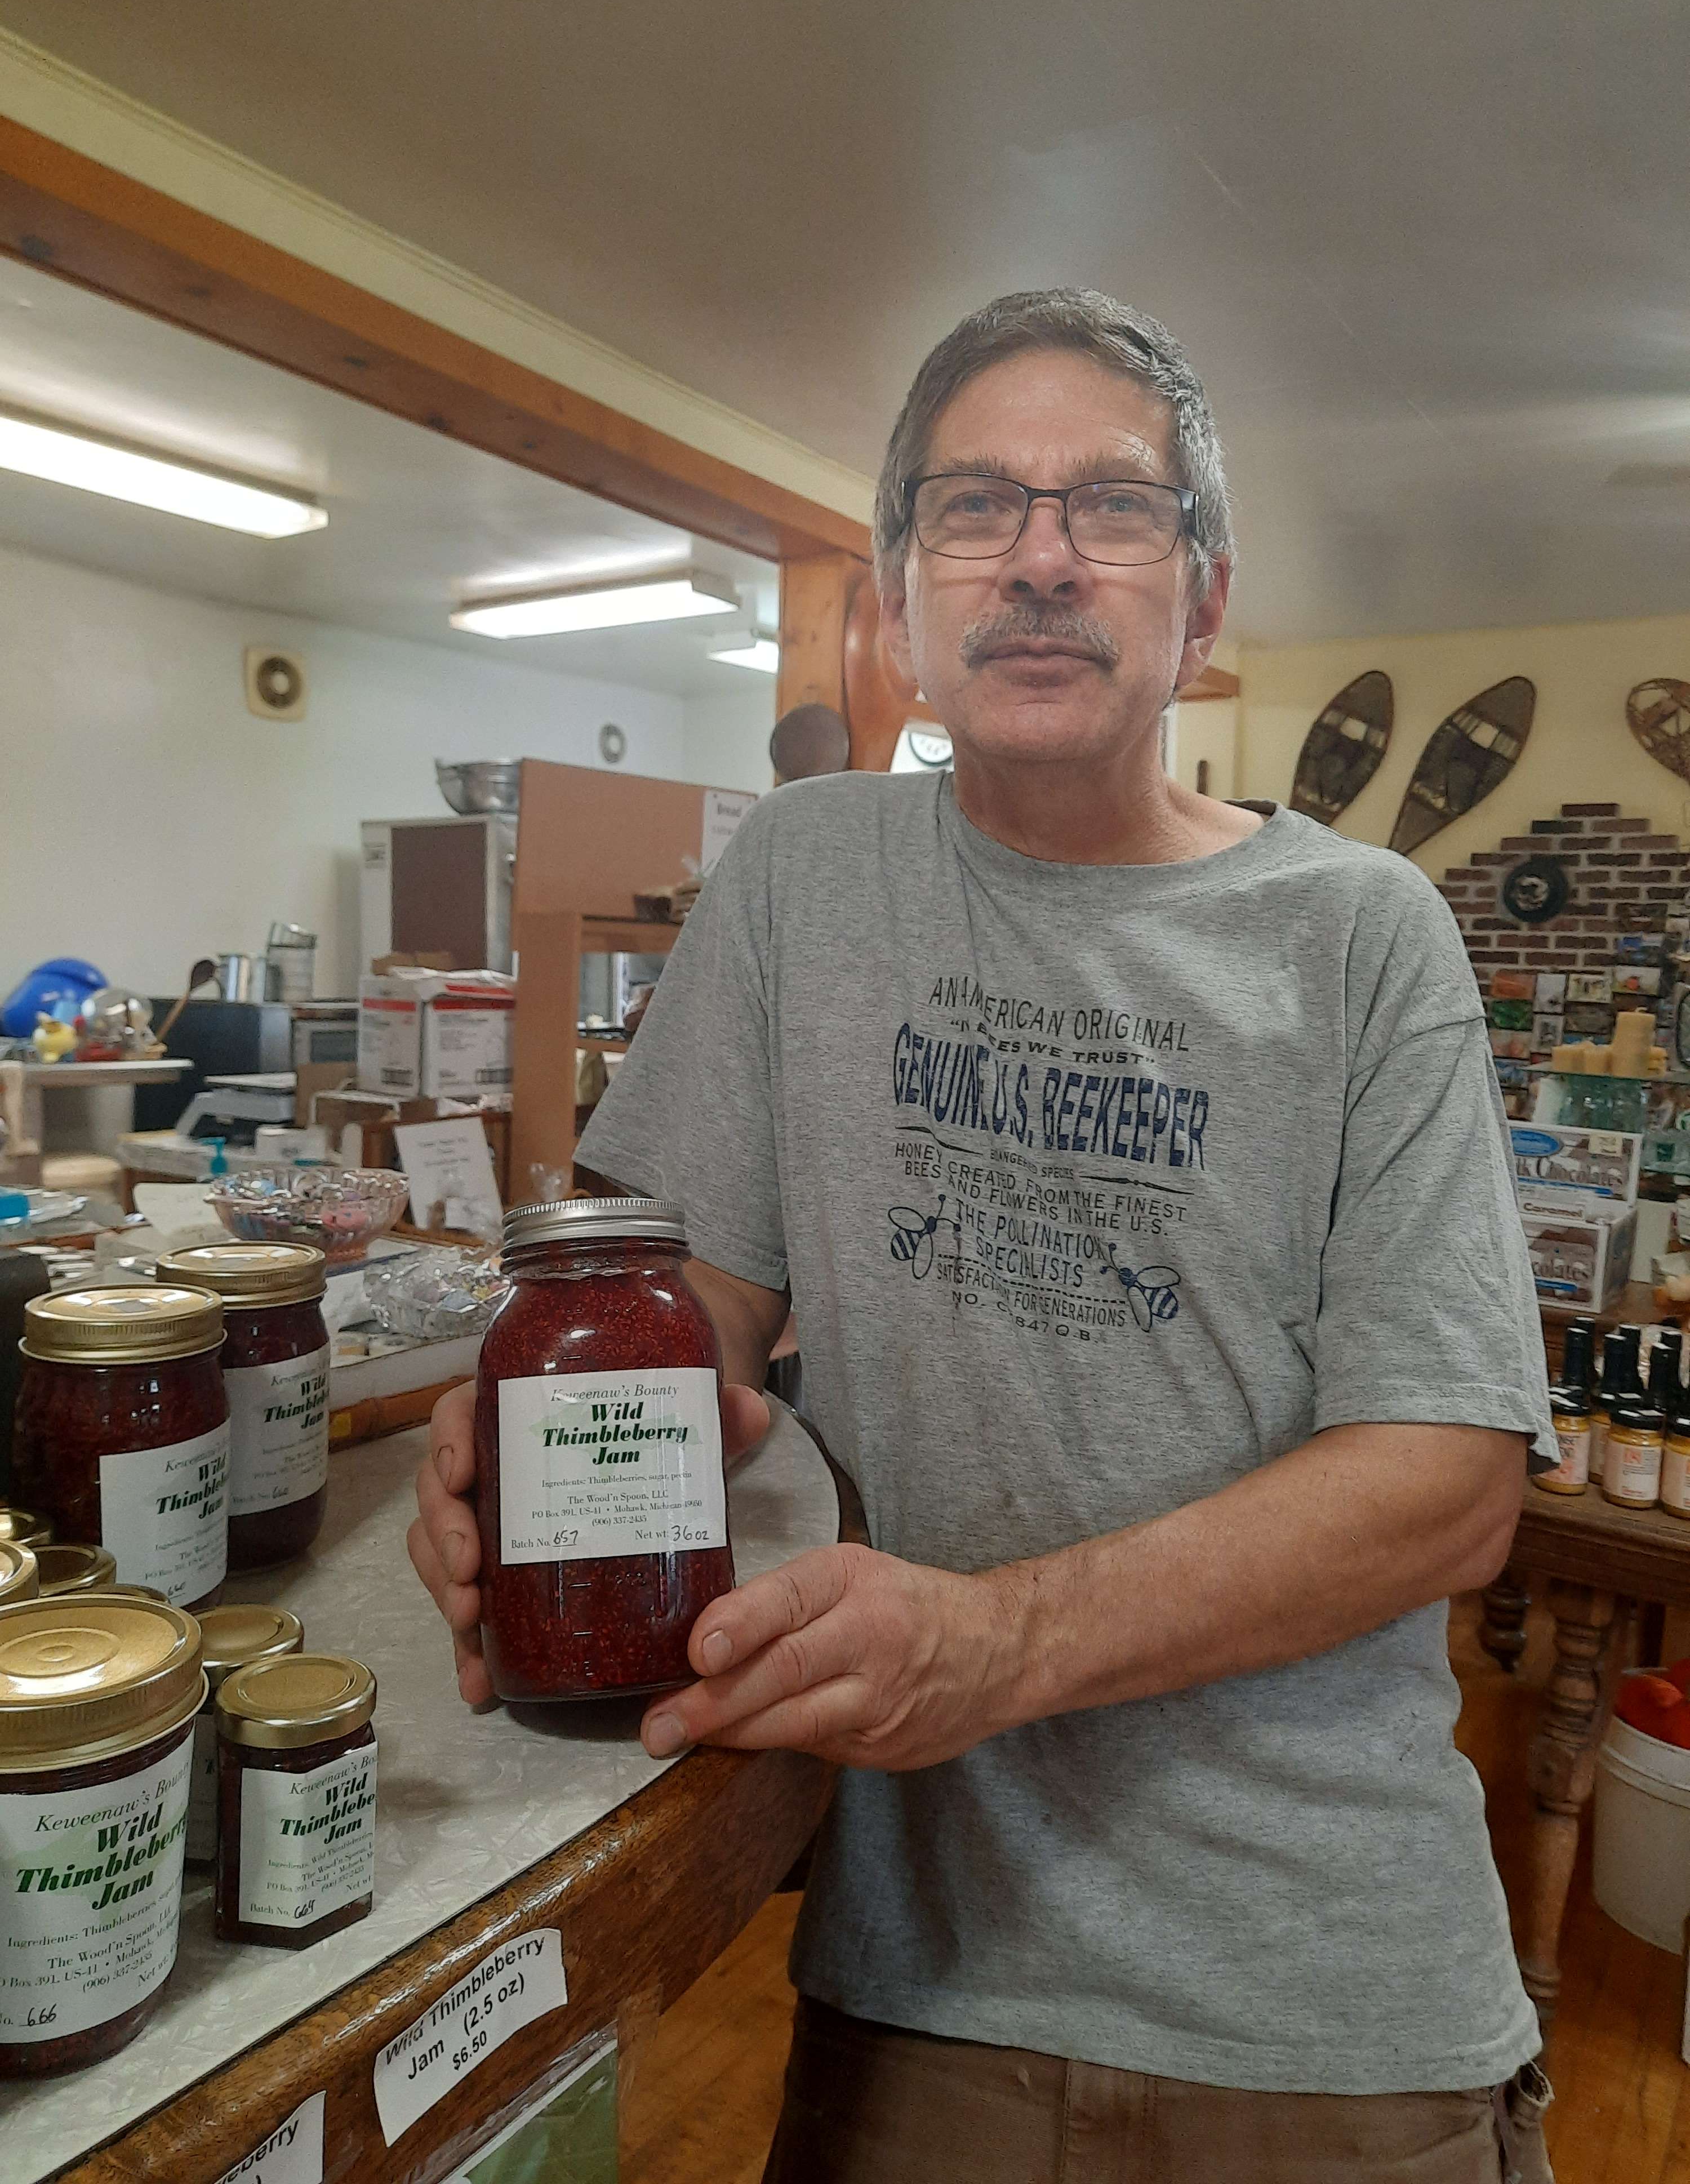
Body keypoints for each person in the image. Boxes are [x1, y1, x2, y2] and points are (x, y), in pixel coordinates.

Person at [411, 288, 1559, 2182]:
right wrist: (556, 1439)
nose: (1039, 556)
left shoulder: (1365, 934)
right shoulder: (805, 874)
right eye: (974, 508)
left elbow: (1447, 1482)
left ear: (1199, 608)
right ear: (897, 608)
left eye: (1112, 507)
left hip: (1328, 2017)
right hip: (921, 1987)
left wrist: (997, 1645)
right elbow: (690, 1304)